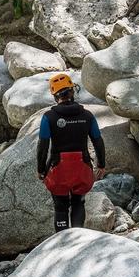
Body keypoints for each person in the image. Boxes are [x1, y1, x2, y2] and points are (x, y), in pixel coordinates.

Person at [37, 73, 106, 232]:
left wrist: (41, 170)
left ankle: (63, 243)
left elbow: (43, 146)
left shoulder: (49, 117)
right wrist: (101, 164)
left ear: (55, 96)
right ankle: (78, 239)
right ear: (72, 91)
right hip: (82, 168)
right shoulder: (87, 116)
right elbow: (97, 140)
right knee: (78, 203)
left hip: (58, 170)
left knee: (60, 207)